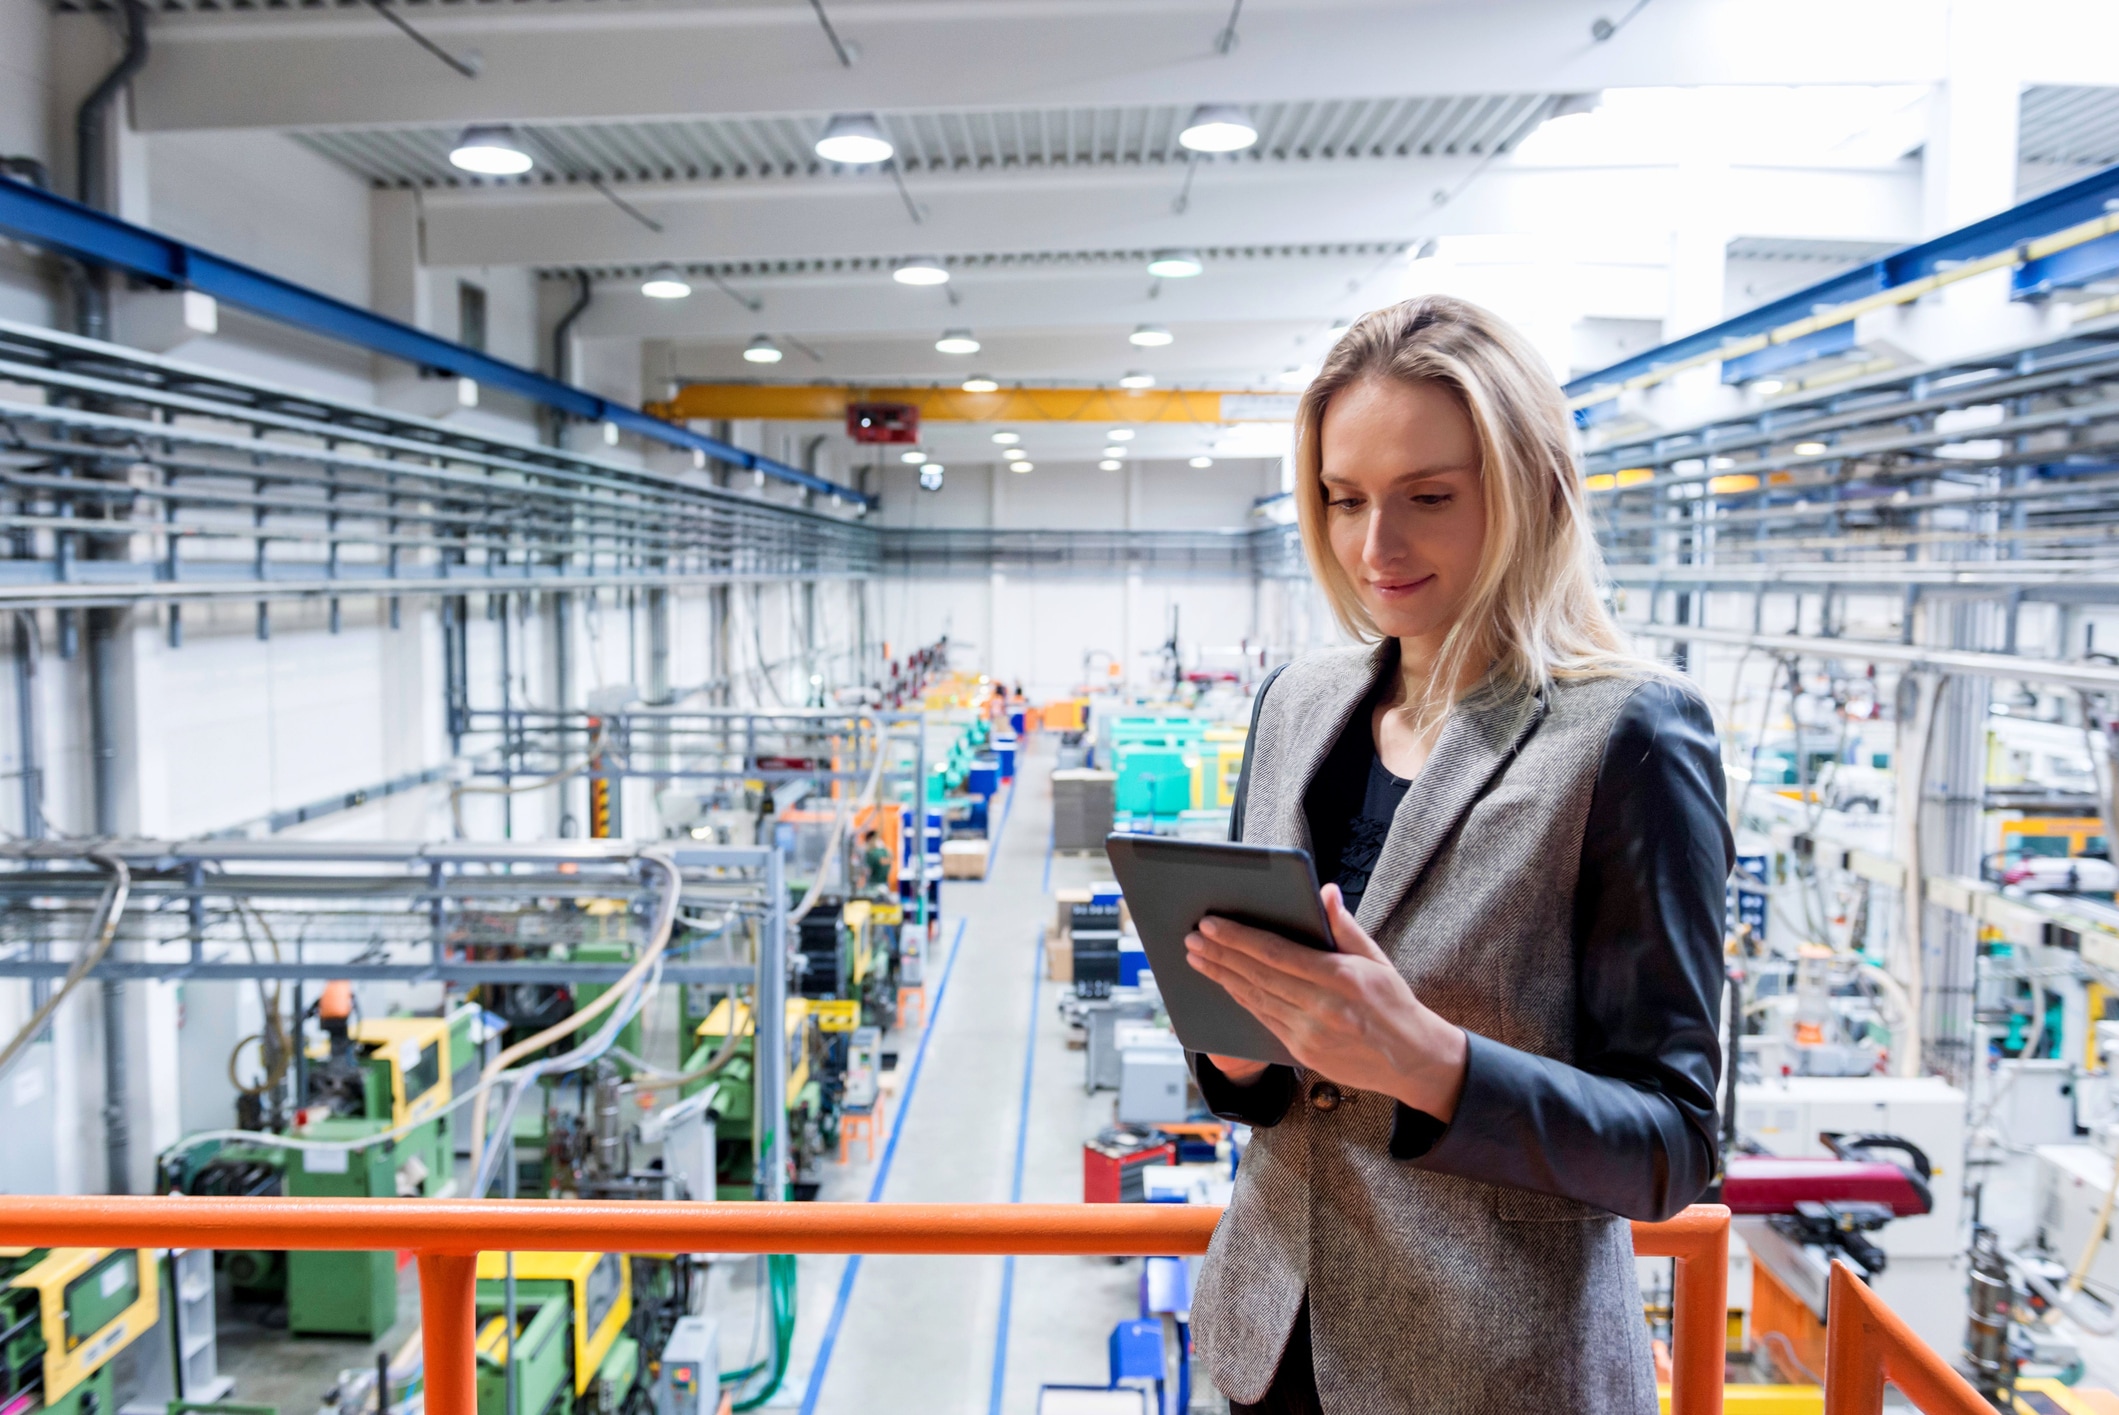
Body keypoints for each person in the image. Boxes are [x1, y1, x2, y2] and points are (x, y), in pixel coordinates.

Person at [1181, 294, 1732, 1415]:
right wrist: (1237, 1050)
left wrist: (1430, 1061)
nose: (1374, 546)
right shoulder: (1297, 702)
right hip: (1268, 1346)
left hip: (1488, 1372)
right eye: (1343, 500)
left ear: (1528, 486)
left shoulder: (1627, 734)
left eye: (1428, 497)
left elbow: (1670, 1147)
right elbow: (1292, 1083)